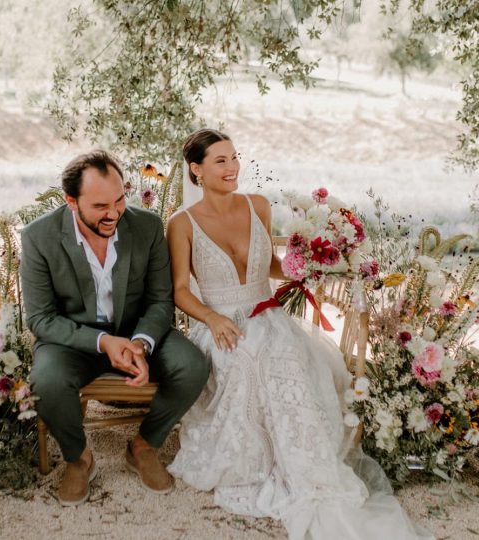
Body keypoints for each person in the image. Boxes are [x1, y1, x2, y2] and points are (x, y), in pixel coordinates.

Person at [166, 129, 432, 539]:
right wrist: (213, 319)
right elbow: (180, 290)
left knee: (285, 353)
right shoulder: (181, 224)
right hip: (220, 324)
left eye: (234, 157)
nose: (232, 167)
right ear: (196, 170)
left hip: (268, 314)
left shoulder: (257, 206)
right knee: (248, 354)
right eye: (220, 161)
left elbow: (268, 264)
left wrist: (305, 264)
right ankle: (261, 462)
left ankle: (310, 468)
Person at [20, 150, 209, 507]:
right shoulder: (38, 237)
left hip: (139, 333)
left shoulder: (149, 226)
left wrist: (140, 343)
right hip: (74, 342)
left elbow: (160, 300)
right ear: (71, 201)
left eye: (120, 199)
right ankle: (79, 458)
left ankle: (143, 446)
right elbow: (41, 319)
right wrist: (104, 342)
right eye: (100, 206)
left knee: (193, 366)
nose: (114, 213)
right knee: (46, 382)